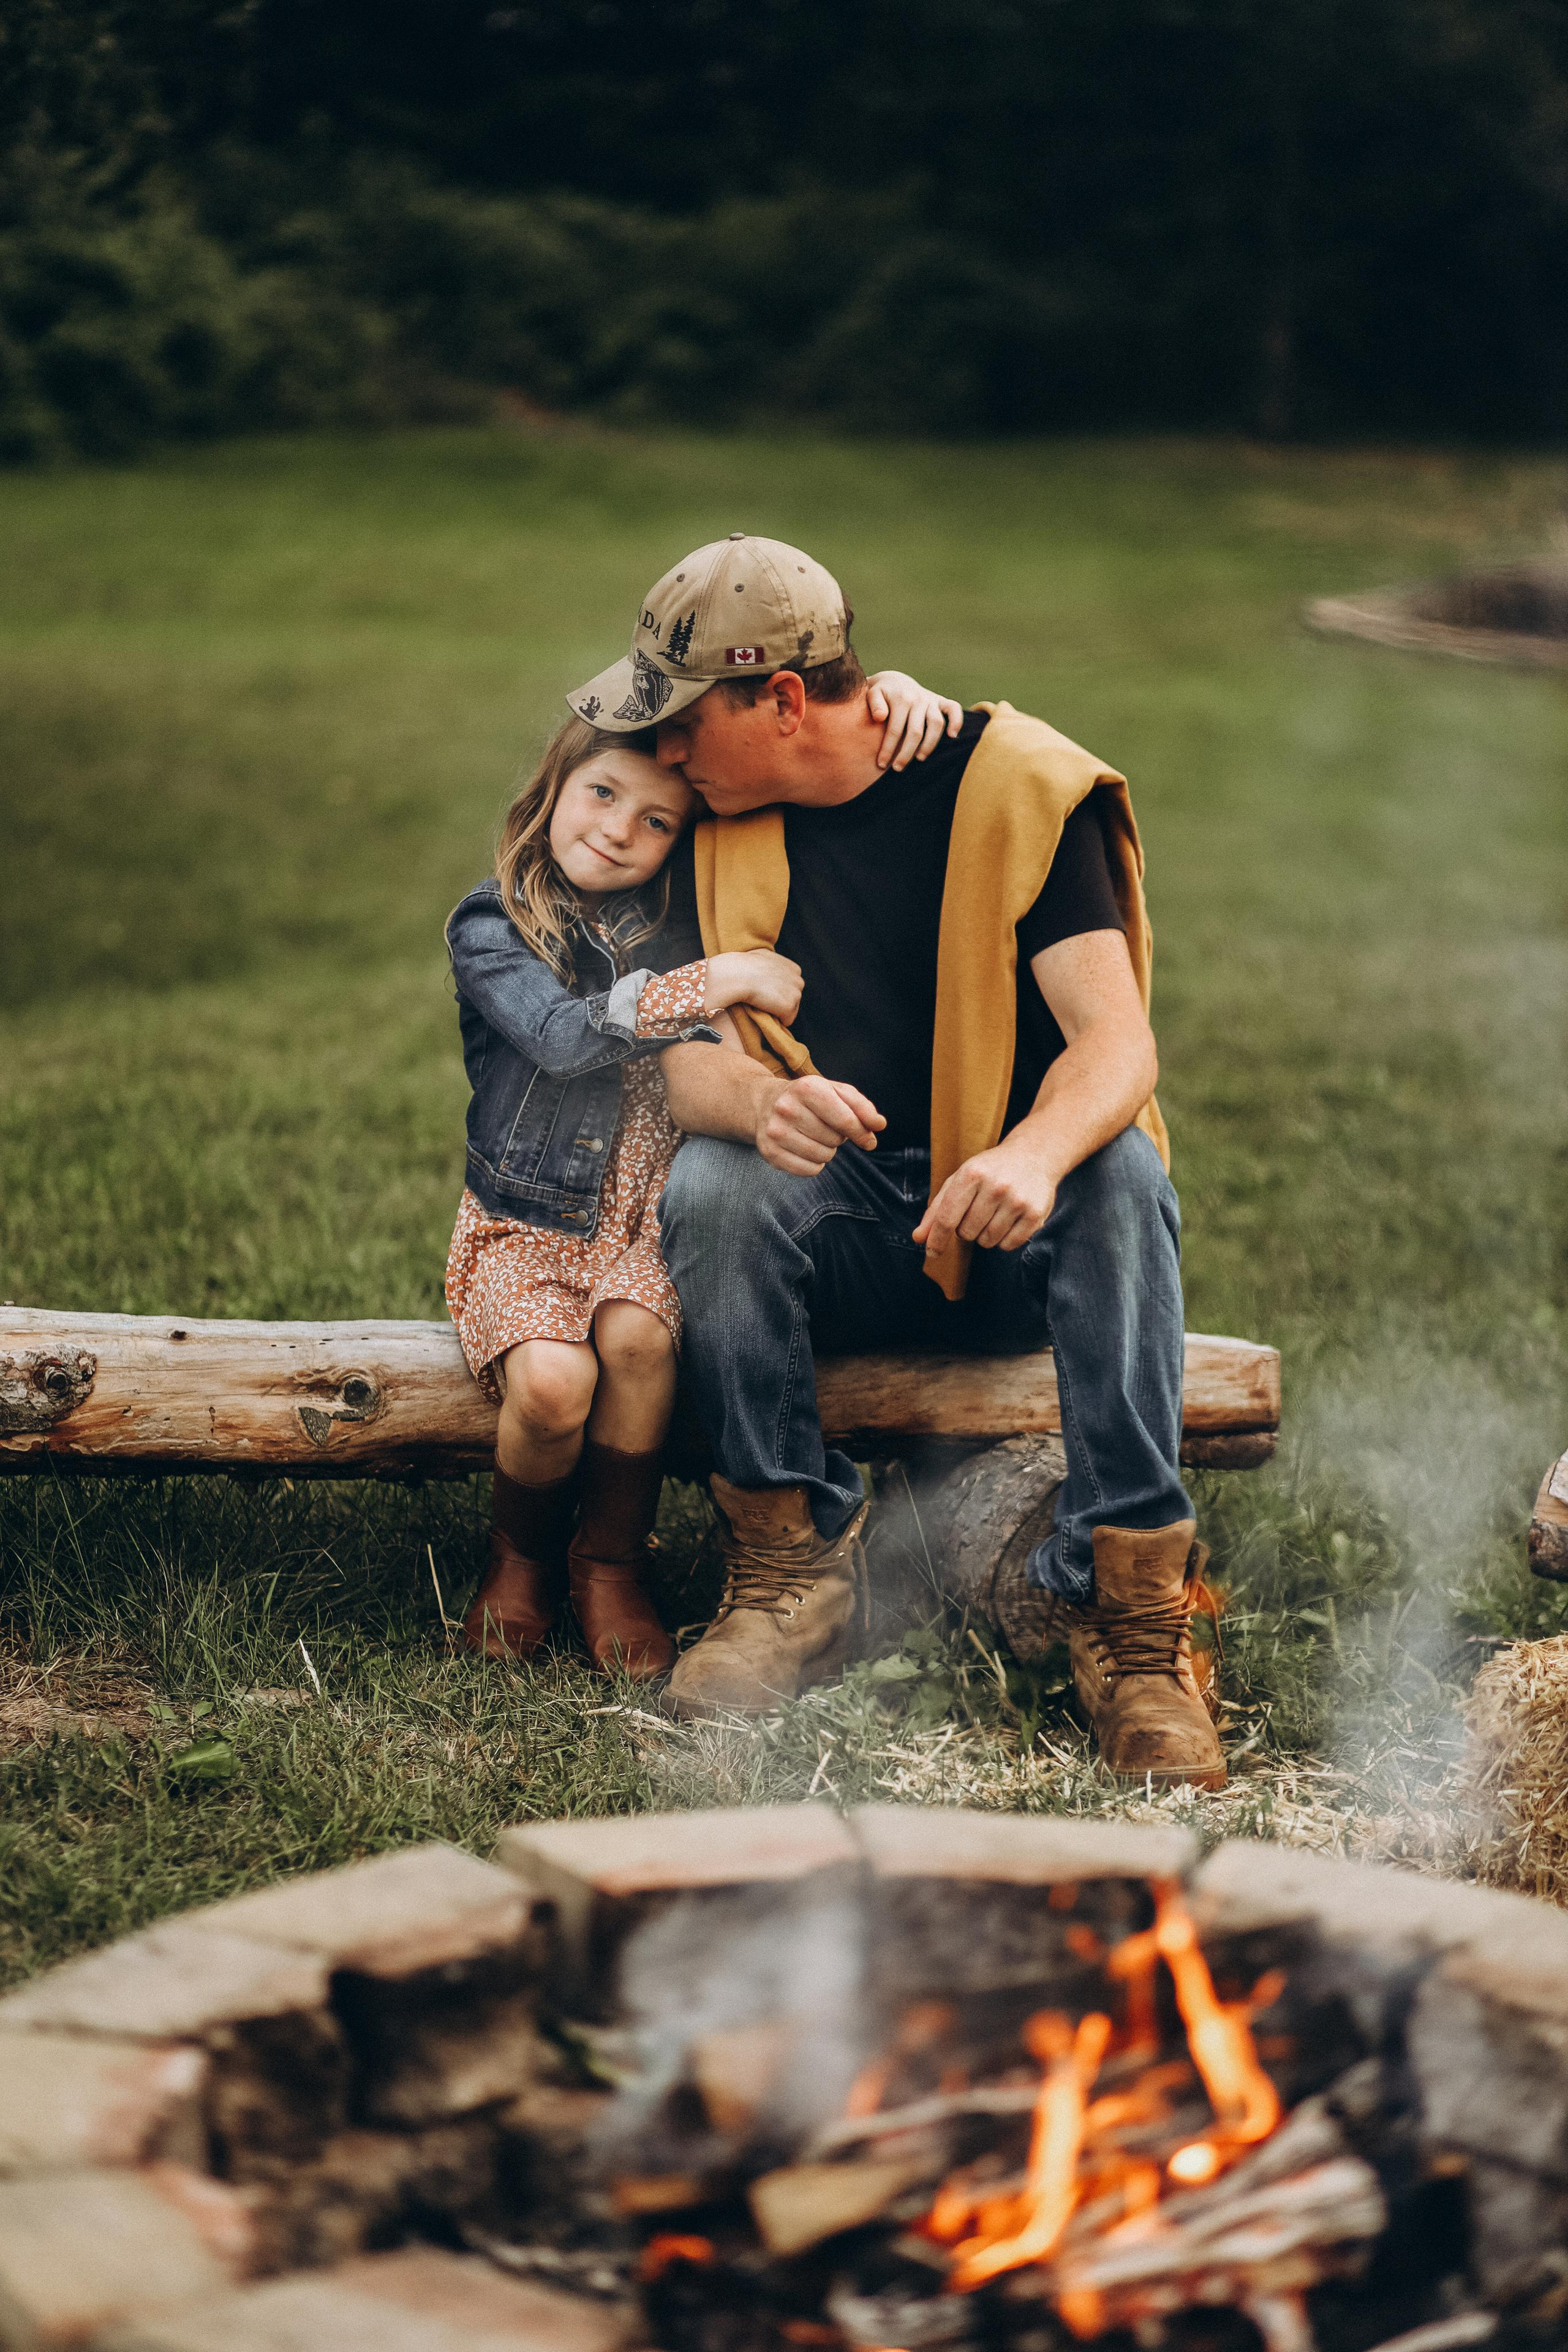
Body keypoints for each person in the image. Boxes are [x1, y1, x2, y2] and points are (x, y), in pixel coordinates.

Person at [564, 533, 1225, 1785]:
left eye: (678, 721)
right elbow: (675, 1059)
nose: (658, 753)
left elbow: (1113, 1044)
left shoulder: (1019, 788)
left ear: (780, 699)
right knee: (711, 1178)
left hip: (1016, 1243)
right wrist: (757, 1100)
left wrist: (1028, 1157)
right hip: (853, 1237)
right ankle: (784, 1573)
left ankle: (1132, 1623)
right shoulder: (706, 827)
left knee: (1118, 1174)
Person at [444, 678, 960, 1678]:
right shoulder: (494, 923)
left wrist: (888, 695)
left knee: (640, 1347)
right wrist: (716, 979)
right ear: (554, 785)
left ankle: (612, 1563)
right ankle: (523, 1559)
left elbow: (797, 738)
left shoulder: (675, 914)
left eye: (656, 820)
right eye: (600, 794)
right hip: (532, 1228)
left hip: (643, 1225)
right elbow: (559, 1038)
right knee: (554, 1385)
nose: (617, 831)